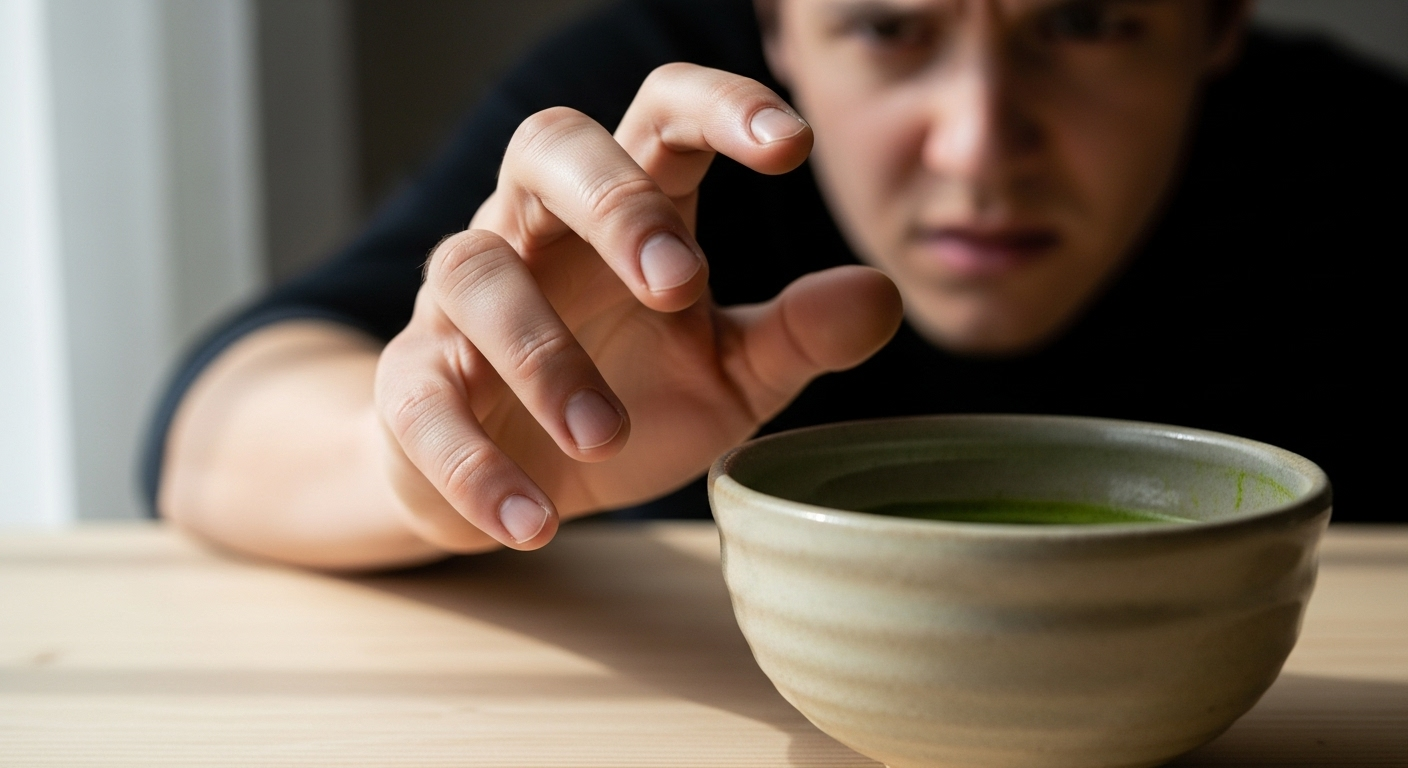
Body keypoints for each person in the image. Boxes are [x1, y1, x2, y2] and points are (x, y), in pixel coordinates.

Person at [145, 0, 1406, 571]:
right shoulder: (639, 124)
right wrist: (422, 468)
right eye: (887, 27)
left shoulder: (1354, 162)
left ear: (1216, 25)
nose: (977, 141)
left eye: (1083, 25)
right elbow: (211, 427)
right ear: (773, 25)